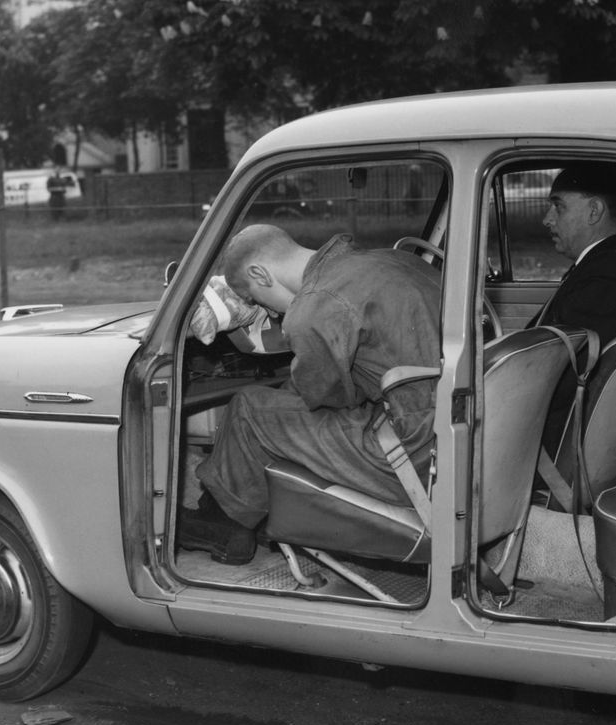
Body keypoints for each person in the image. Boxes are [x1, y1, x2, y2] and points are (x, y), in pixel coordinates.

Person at [177, 224, 442, 564]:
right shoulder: (397, 262)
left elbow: (326, 400)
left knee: (249, 408)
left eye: (257, 299)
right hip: (450, 433)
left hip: (410, 453)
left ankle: (223, 526)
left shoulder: (315, 310)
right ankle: (256, 510)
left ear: (260, 273)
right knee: (278, 407)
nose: (270, 313)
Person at [530, 163, 616, 453]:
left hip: (550, 449)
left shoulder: (606, 280)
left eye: (559, 207)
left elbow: (548, 378)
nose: (547, 219)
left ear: (594, 211)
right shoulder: (614, 266)